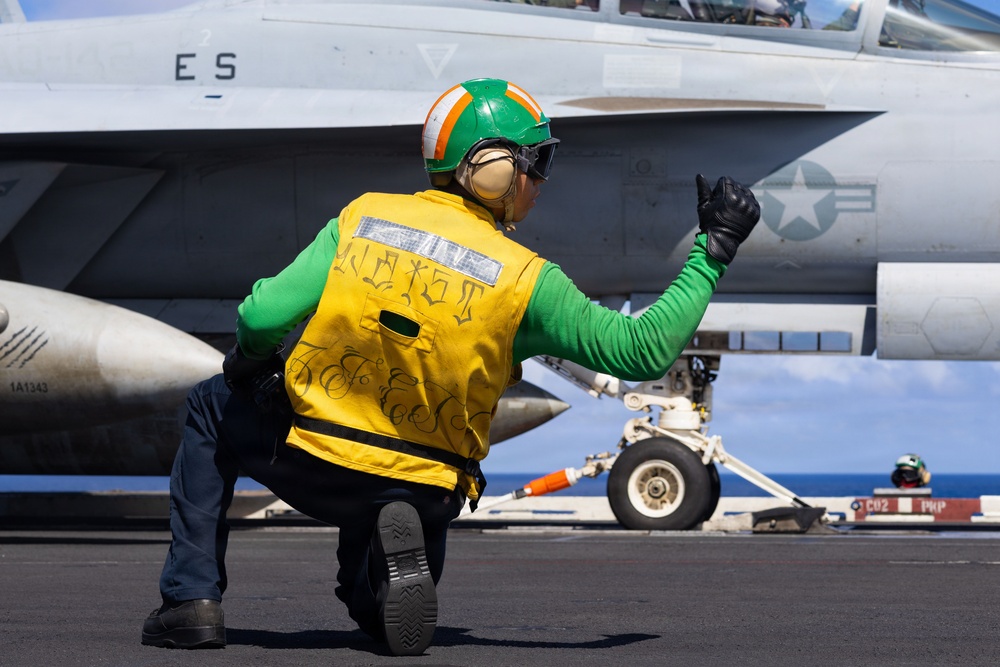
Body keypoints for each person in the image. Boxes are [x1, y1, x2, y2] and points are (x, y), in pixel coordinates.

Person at [140, 77, 760, 656]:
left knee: (210, 403)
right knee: (383, 563)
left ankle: (190, 601)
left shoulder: (362, 219)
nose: (542, 180)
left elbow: (260, 316)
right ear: (492, 168)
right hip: (427, 487)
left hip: (313, 458)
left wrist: (250, 368)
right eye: (537, 162)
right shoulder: (527, 280)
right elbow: (641, 350)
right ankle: (376, 589)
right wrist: (713, 250)